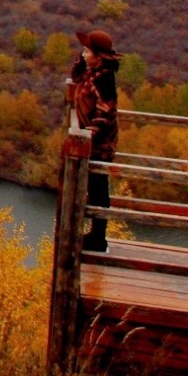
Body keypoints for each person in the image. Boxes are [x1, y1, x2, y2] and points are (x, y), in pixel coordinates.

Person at [69, 29, 121, 252]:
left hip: (99, 146)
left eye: (87, 50)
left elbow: (105, 114)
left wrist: (87, 135)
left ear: (99, 56)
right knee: (94, 188)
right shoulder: (93, 73)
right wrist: (80, 63)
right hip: (91, 144)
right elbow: (76, 79)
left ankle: (98, 239)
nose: (83, 53)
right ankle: (95, 236)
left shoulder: (105, 80)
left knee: (99, 191)